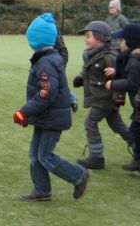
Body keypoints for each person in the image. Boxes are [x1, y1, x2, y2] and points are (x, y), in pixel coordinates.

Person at [13, 13, 91, 201]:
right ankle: (42, 190)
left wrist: (23, 112)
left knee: (45, 156)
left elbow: (45, 95)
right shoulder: (46, 58)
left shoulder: (46, 63)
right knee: (35, 155)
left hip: (53, 119)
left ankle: (80, 175)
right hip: (45, 117)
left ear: (35, 40)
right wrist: (29, 117)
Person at [73, 21, 132, 169]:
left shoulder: (109, 57)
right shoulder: (92, 54)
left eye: (88, 36)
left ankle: (96, 157)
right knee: (117, 125)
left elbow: (120, 76)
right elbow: (88, 70)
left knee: (90, 123)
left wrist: (118, 97)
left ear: (100, 38)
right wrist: (81, 77)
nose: (85, 39)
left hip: (105, 98)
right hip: (101, 98)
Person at [104, 23, 140, 173]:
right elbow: (127, 75)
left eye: (122, 40)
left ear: (130, 42)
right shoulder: (129, 57)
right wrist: (115, 72)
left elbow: (132, 82)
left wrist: (113, 84)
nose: (119, 43)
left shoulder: (135, 60)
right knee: (137, 131)